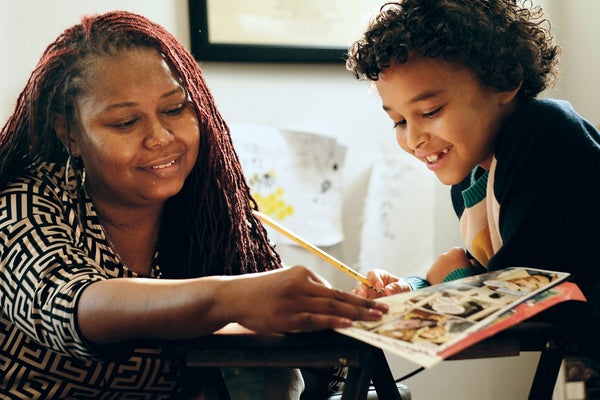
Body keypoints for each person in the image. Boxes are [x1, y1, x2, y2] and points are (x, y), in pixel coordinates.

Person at [0, 11, 389, 399]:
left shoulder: (210, 211)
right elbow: (65, 307)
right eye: (124, 123)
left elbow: (324, 377)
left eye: (174, 109)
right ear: (69, 133)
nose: (160, 137)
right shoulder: (23, 204)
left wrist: (330, 322)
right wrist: (231, 297)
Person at [347, 0, 600, 310]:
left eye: (431, 111)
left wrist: (453, 281)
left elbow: (535, 295)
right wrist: (415, 290)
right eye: (399, 121)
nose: (413, 139)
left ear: (504, 79)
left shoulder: (544, 135)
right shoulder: (472, 179)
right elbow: (492, 276)